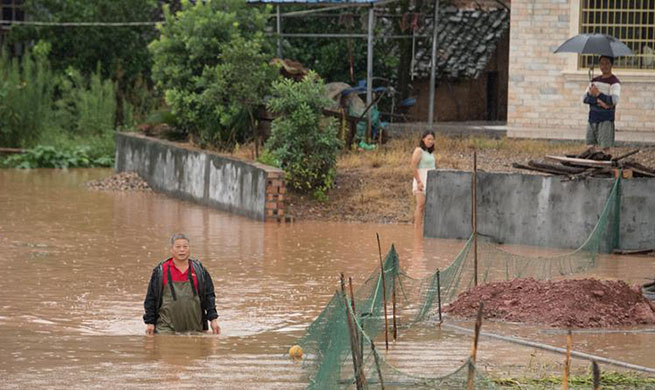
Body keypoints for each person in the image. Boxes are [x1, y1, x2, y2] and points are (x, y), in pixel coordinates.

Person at [143, 233, 220, 335]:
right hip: (165, 328)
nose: (182, 250)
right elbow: (151, 298)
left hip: (195, 328)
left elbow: (209, 296)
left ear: (189, 249)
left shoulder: (199, 270)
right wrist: (150, 323)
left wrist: (213, 320)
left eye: (185, 246)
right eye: (178, 247)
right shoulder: (161, 271)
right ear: (171, 249)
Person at [583, 55, 621, 153]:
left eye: (607, 63)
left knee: (605, 147)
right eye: (602, 63)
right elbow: (585, 98)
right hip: (592, 118)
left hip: (606, 119)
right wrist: (597, 101)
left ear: (611, 64)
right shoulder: (594, 81)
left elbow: (613, 100)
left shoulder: (614, 82)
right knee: (589, 146)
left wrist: (598, 94)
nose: (604, 66)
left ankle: (607, 165)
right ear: (599, 65)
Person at [411, 130, 436, 231]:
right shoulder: (419, 150)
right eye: (429, 139)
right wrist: (418, 181)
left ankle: (425, 229)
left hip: (431, 180)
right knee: (420, 205)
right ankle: (417, 228)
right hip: (421, 180)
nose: (431, 141)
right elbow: (413, 166)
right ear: (423, 139)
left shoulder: (430, 153)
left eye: (432, 139)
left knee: (428, 206)